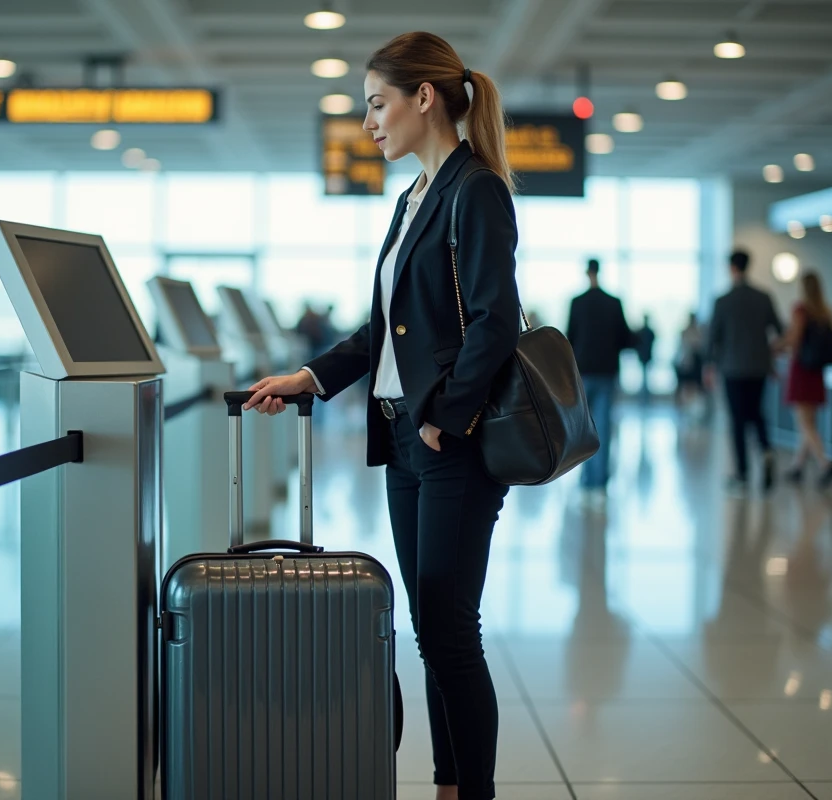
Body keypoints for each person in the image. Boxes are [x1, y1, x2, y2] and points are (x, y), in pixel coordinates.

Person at [242, 32, 518, 800]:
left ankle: (474, 791)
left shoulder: (476, 189)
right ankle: (448, 783)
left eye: (376, 103)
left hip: (447, 442)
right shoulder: (415, 197)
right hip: (404, 437)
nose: (368, 122)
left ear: (422, 97)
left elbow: (498, 319)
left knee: (452, 632)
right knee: (432, 630)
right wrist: (309, 375)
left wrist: (449, 417)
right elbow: (385, 325)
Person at [706, 250, 784, 492]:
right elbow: (779, 330)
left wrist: (709, 367)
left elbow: (713, 339)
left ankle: (742, 473)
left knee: (737, 420)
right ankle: (766, 449)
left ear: (731, 268)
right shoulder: (764, 297)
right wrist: (767, 353)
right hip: (759, 367)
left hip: (732, 368)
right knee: (757, 412)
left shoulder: (723, 300)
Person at [566, 259, 635, 501]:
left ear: (587, 273)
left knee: (584, 427)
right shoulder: (614, 303)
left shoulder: (577, 303)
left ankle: (586, 480)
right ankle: (600, 484)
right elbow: (626, 338)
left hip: (583, 371)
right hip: (607, 371)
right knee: (603, 426)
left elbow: (569, 338)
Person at [775, 270, 832, 487]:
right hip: (816, 372)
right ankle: (798, 466)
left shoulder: (801, 310)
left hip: (801, 370)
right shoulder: (825, 312)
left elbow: (794, 338)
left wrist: (775, 347)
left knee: (804, 423)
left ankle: (824, 462)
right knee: (808, 422)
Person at [674, 312, 707, 415]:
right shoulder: (686, 332)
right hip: (686, 362)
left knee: (696, 387)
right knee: (684, 386)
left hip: (695, 363)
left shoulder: (699, 332)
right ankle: (683, 407)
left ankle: (695, 410)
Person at [635, 313, 656, 397]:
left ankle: (644, 395)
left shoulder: (644, 331)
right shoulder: (646, 331)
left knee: (645, 377)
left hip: (645, 356)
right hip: (645, 356)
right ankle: (644, 396)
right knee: (645, 377)